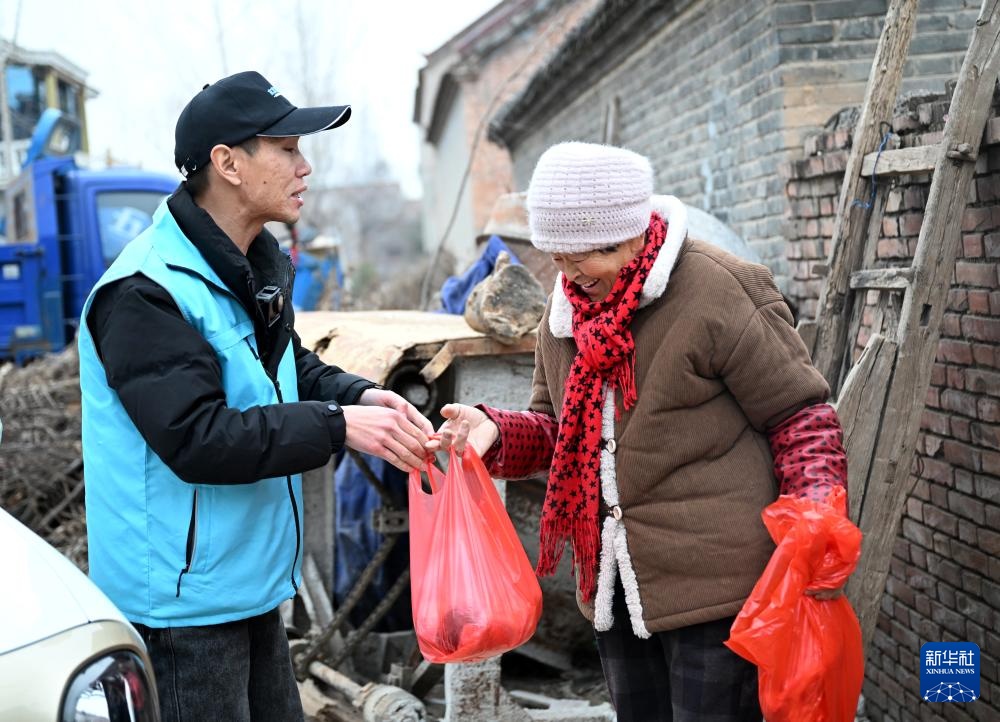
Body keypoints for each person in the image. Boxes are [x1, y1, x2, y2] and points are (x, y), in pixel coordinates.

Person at [430, 141, 849, 722]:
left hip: (719, 590)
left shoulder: (717, 289)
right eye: (557, 257)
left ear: (628, 236)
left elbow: (799, 414)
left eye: (583, 257)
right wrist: (496, 433)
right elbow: (558, 432)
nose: (569, 274)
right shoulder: (566, 312)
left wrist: (814, 516)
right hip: (615, 588)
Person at [78, 71, 433, 722]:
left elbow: (282, 366)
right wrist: (336, 425)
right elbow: (199, 437)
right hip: (181, 612)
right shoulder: (144, 293)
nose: (306, 167)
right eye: (289, 148)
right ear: (228, 163)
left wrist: (361, 396)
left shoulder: (242, 265)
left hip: (245, 587)